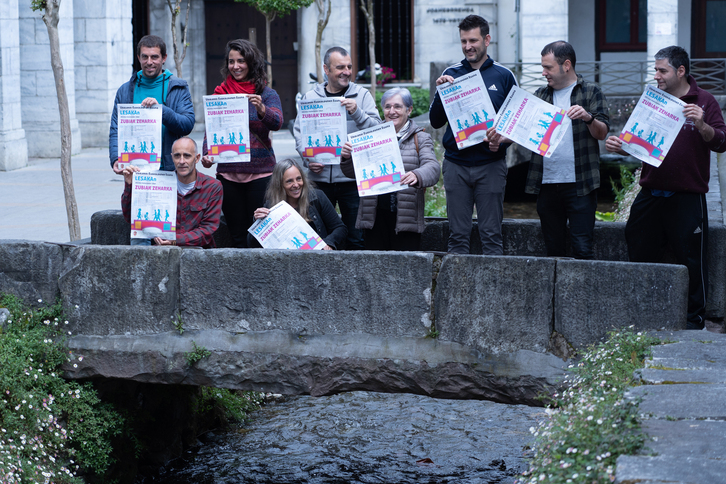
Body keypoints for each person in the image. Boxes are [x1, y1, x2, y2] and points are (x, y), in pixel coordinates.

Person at [605, 46, 726, 329]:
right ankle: (644, 315)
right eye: (656, 70)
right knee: (638, 249)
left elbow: (721, 141)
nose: (656, 76)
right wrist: (620, 147)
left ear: (680, 71)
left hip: (687, 196)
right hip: (651, 193)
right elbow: (638, 144)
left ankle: (695, 322)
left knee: (693, 261)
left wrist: (702, 124)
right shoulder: (652, 100)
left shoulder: (704, 101)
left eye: (662, 70)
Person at [429, 15, 518, 255]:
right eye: (463, 41)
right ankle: (457, 292)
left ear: (487, 40)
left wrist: (502, 138)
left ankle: (495, 290)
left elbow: (518, 124)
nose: (468, 46)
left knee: (491, 235)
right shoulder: (451, 73)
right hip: (456, 165)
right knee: (457, 237)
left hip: (491, 165)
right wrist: (441, 92)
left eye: (473, 40)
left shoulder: (504, 76)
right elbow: (436, 122)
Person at [523, 41, 609, 259]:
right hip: (547, 183)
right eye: (543, 67)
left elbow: (602, 133)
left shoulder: (591, 92)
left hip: (580, 183)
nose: (543, 73)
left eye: (548, 68)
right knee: (553, 249)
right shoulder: (540, 95)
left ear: (567, 65)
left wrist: (588, 118)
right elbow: (523, 132)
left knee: (582, 249)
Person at [293, 46, 382, 250]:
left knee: (356, 237)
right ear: (326, 69)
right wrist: (308, 160)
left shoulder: (362, 95)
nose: (347, 72)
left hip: (352, 181)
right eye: (340, 67)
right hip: (318, 180)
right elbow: (299, 134)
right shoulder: (310, 97)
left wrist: (357, 112)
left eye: (349, 67)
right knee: (317, 236)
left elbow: (378, 130)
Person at [201, 39, 283, 248]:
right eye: (231, 61)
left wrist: (263, 110)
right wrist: (207, 154)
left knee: (259, 235)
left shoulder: (266, 94)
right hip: (228, 176)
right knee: (236, 234)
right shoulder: (220, 94)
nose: (236, 66)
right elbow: (211, 130)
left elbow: (278, 123)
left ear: (251, 62)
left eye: (241, 61)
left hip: (260, 176)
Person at [339, 88, 441, 250]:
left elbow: (433, 168)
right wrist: (346, 157)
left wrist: (417, 174)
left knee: (406, 267)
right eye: (387, 107)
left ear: (409, 110)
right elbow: (352, 173)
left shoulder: (420, 137)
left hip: (406, 219)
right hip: (374, 218)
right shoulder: (370, 136)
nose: (392, 111)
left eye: (397, 107)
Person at [110, 35, 195, 173]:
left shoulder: (178, 87)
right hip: (135, 170)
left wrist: (162, 111)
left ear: (164, 58)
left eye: (154, 57)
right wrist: (115, 158)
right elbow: (115, 129)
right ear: (138, 58)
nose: (149, 62)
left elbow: (187, 124)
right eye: (145, 57)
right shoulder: (125, 90)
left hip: (169, 170)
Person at [121, 137, 223, 248]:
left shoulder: (212, 187)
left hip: (198, 252)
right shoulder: (158, 182)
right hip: (163, 251)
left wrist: (175, 240)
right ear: (172, 158)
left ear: (197, 158)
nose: (182, 161)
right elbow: (130, 217)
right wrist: (130, 185)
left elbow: (208, 229)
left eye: (187, 156)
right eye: (177, 156)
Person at [249, 159, 347, 249]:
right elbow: (252, 244)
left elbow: (340, 228)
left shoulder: (317, 197)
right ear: (280, 184)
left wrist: (328, 243)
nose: (296, 185)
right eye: (289, 181)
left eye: (299, 179)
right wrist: (257, 222)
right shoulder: (271, 206)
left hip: (317, 256)